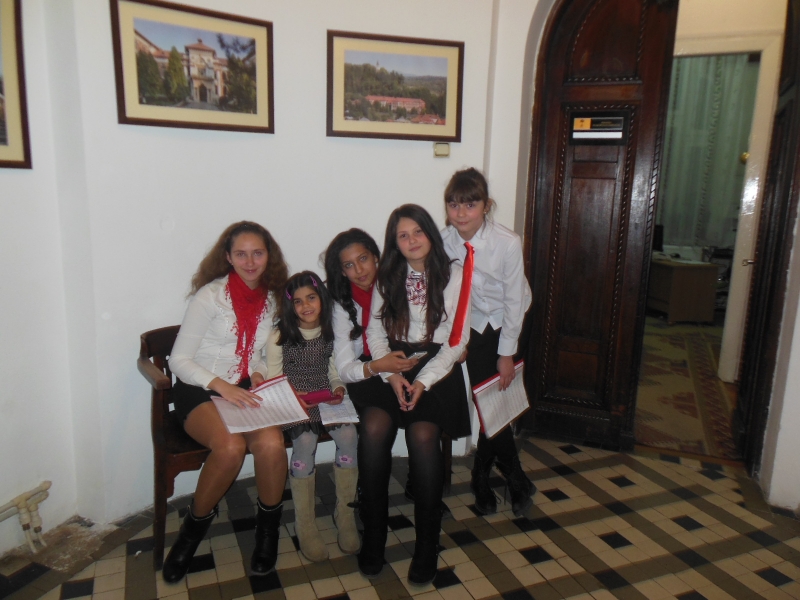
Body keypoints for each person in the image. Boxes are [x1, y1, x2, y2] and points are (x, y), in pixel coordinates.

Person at [165, 221, 289, 583]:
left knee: (271, 443)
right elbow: (179, 361)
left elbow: (262, 353)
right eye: (241, 254)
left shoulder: (273, 298)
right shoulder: (210, 297)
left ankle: (267, 532)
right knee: (231, 447)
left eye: (258, 253)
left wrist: (260, 373)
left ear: (268, 256)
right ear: (228, 258)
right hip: (199, 388)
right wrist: (222, 386)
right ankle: (191, 532)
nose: (250, 262)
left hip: (244, 387)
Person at [358, 205, 472, 585]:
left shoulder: (454, 274)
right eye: (402, 236)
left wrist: (424, 380)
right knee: (374, 428)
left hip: (437, 365)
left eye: (417, 232)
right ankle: (374, 534)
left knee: (422, 436)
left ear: (430, 233)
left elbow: (458, 340)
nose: (411, 241)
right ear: (395, 243)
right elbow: (374, 331)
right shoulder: (387, 276)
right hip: (392, 360)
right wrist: (390, 371)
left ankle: (427, 543)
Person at [441, 167, 535, 516]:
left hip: (511, 319)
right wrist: (456, 339)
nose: (461, 213)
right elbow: (448, 296)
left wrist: (506, 353)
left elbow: (513, 300)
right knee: (488, 402)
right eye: (454, 205)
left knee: (498, 402)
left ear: (486, 206)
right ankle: (514, 478)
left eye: (470, 204)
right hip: (476, 324)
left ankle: (485, 477)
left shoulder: (507, 243)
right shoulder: (444, 241)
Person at [265, 270, 360, 561]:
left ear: (322, 299)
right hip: (292, 399)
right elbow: (273, 377)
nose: (306, 306)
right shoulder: (280, 334)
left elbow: (333, 371)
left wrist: (339, 388)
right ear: (289, 306)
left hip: (324, 395)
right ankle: (304, 523)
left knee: (349, 434)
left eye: (311, 298)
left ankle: (345, 514)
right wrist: (292, 395)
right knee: (305, 441)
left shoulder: (330, 331)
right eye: (298, 301)